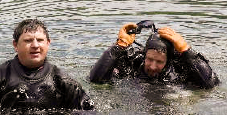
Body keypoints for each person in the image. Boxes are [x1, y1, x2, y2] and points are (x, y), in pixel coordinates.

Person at [0, 19, 93, 115]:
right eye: (28, 41)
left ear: (48, 43)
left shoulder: (63, 81)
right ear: (15, 45)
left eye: (40, 40)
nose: (35, 45)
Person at [89, 23, 219, 89]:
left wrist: (186, 51)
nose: (152, 66)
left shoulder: (179, 70)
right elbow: (96, 79)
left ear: (168, 61)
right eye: (149, 59)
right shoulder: (132, 64)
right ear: (144, 54)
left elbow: (210, 84)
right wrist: (119, 46)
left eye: (159, 62)